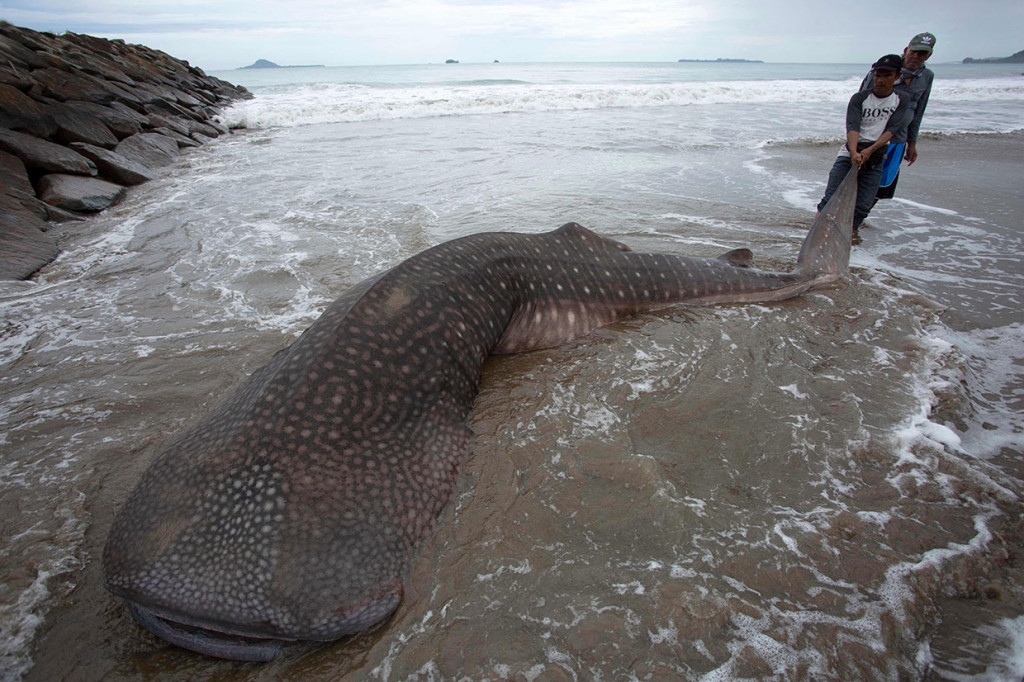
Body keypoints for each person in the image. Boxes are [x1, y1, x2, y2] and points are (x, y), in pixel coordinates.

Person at [815, 54, 909, 234]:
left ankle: (849, 236)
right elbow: (852, 127)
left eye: (886, 76)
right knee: (829, 200)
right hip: (850, 152)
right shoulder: (860, 98)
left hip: (876, 156)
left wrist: (871, 150)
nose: (880, 80)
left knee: (863, 206)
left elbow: (891, 129)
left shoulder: (901, 100)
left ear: (897, 76)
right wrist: (854, 152)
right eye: (877, 75)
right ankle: (817, 238)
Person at [860, 32, 936, 200]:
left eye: (922, 54)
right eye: (913, 52)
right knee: (860, 183)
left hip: (898, 140)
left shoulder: (927, 77)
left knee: (882, 187)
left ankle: (862, 214)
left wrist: (912, 143)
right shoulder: (883, 71)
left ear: (929, 56)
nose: (916, 57)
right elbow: (861, 104)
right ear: (906, 50)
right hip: (873, 139)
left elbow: (918, 112)